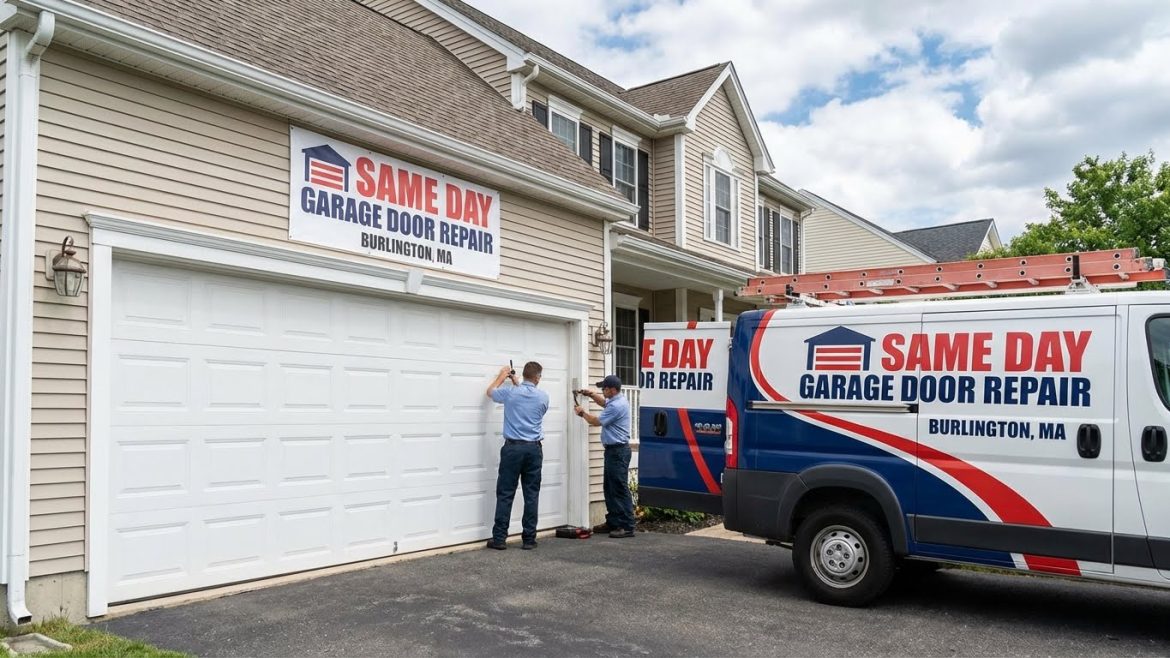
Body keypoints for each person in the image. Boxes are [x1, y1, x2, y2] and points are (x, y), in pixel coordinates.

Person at [485, 361, 549, 550]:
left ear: (523, 374)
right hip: (533, 450)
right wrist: (517, 383)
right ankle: (529, 539)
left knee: (505, 492)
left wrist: (502, 376)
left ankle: (499, 539)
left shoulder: (511, 393)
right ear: (537, 377)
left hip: (513, 449)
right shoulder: (543, 396)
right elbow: (528, 401)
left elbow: (490, 392)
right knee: (531, 494)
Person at [574, 374, 635, 538]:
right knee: (609, 488)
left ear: (613, 390)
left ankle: (627, 526)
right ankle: (613, 522)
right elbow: (604, 402)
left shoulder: (617, 406)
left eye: (604, 388)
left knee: (619, 488)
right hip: (613, 451)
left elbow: (596, 421)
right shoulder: (615, 401)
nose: (602, 390)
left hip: (618, 452)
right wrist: (591, 394)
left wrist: (582, 413)